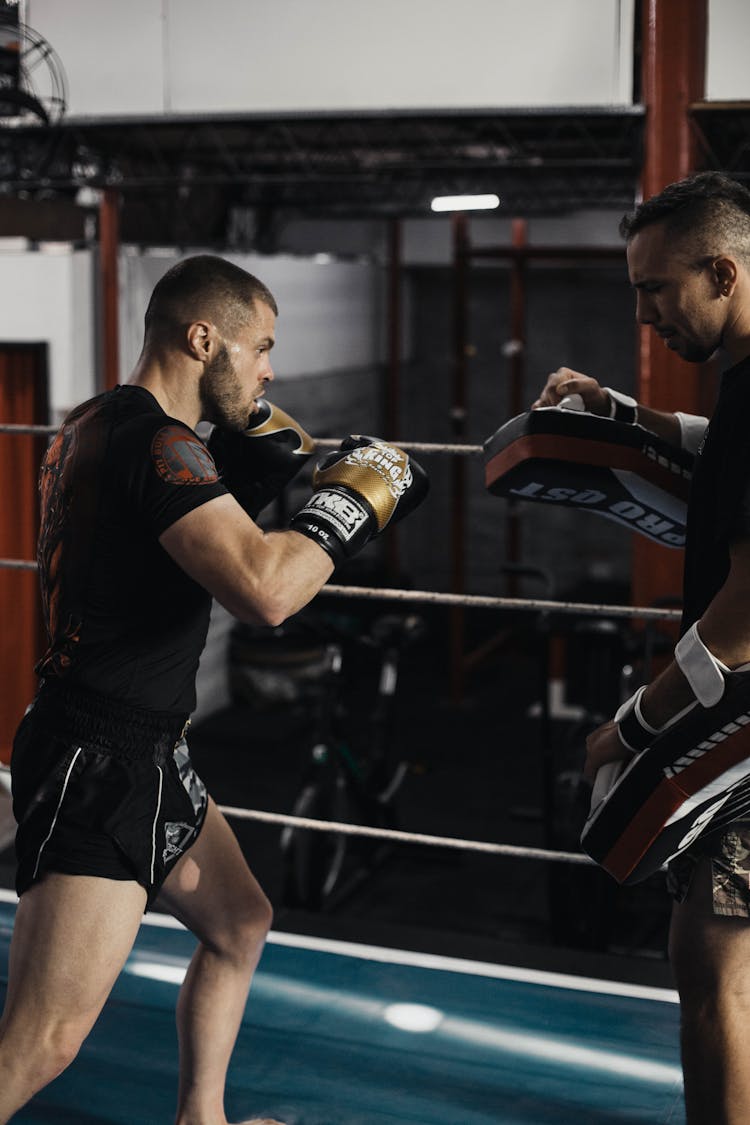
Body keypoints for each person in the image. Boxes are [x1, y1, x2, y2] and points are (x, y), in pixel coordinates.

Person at [0, 254, 428, 1124]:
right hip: (102, 763)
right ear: (204, 338)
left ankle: (203, 1117)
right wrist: (352, 505)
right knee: (42, 1041)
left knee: (239, 923)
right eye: (260, 346)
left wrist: (249, 475)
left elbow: (160, 538)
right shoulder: (160, 446)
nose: (270, 369)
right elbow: (266, 591)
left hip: (148, 747)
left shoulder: (98, 421)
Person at [532, 171, 750, 1125]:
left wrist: (630, 724)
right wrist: (624, 416)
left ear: (722, 271)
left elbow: (749, 611)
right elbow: (725, 454)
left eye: (655, 288)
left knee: (713, 968)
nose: (643, 310)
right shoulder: (741, 384)